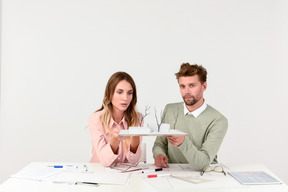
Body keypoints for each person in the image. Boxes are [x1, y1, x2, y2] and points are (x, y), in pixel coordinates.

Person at [152, 63, 228, 171]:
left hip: (204, 176)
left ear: (204, 86)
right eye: (182, 86)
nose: (186, 91)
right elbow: (160, 144)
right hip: (173, 173)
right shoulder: (170, 110)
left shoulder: (218, 121)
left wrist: (183, 142)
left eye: (192, 85)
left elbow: (203, 164)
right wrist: (159, 155)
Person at [89, 72, 142, 167]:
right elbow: (104, 161)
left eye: (129, 93)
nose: (125, 98)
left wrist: (135, 140)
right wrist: (114, 141)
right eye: (119, 92)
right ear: (110, 94)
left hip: (124, 175)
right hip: (99, 174)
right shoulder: (96, 119)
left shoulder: (137, 118)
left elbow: (134, 161)